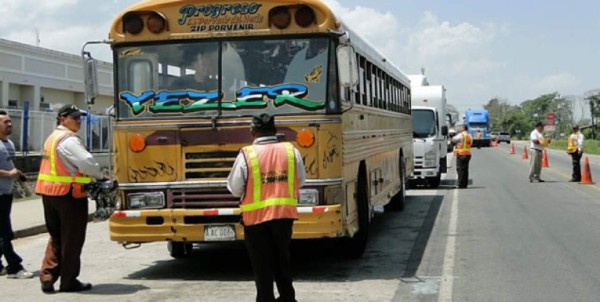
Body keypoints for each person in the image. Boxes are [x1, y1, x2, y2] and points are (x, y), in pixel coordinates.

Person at [227, 113, 305, 302]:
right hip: (283, 216)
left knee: (262, 266)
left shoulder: (247, 154)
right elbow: (300, 180)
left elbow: (235, 188)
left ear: (252, 131)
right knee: (282, 260)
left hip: (255, 220)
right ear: (275, 131)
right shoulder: (290, 150)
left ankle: (265, 299)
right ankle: (287, 298)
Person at [35, 104, 107, 293]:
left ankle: (48, 276)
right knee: (72, 239)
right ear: (62, 119)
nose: (78, 121)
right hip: (68, 195)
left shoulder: (52, 138)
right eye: (74, 117)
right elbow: (86, 162)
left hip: (49, 194)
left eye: (79, 117)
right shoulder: (69, 139)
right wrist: (101, 175)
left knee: (56, 237)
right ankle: (68, 281)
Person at [0, 110, 34, 280]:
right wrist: (8, 174)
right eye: (6, 122)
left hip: (6, 194)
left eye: (10, 121)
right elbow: (8, 170)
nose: (10, 124)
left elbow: (10, 166)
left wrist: (19, 176)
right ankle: (15, 267)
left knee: (2, 232)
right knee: (5, 233)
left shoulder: (10, 144)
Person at [451, 124, 473, 188]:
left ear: (463, 128)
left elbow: (453, 140)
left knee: (460, 169)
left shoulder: (461, 135)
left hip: (461, 154)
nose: (459, 129)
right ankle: (465, 184)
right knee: (465, 170)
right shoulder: (469, 136)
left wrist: (453, 137)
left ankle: (460, 184)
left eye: (460, 128)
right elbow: (470, 143)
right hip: (468, 154)